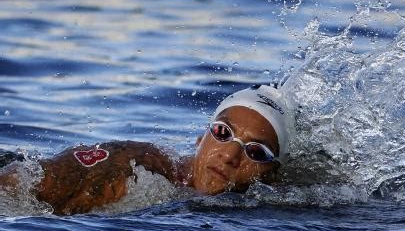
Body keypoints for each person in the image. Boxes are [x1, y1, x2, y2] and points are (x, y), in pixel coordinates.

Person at [0, 85, 291, 215]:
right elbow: (22, 182)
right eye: (222, 133)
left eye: (256, 152)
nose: (229, 155)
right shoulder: (138, 167)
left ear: (273, 176)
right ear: (200, 138)